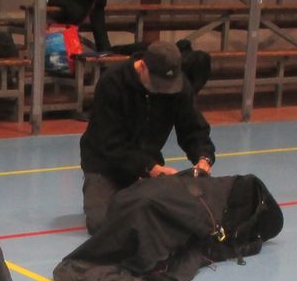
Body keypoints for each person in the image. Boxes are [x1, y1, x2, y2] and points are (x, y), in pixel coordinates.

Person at [79, 40, 217, 234]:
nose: (164, 90)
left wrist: (204, 158)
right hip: (105, 163)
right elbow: (110, 143)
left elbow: (193, 128)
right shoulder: (112, 82)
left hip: (148, 163)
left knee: (177, 214)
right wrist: (151, 167)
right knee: (102, 223)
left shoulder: (179, 86)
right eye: (158, 84)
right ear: (142, 67)